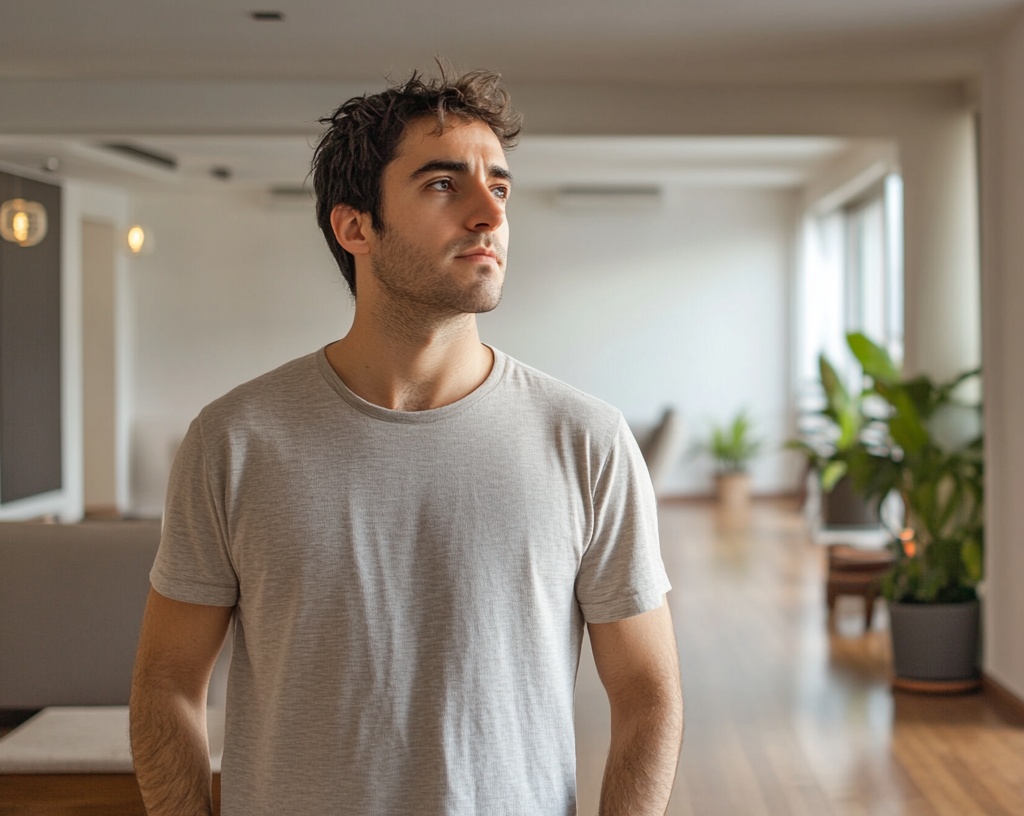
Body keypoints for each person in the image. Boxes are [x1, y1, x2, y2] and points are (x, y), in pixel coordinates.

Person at [128, 68, 683, 816]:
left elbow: (648, 696)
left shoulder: (587, 441)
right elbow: (166, 684)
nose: (489, 212)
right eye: (443, 185)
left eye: (500, 186)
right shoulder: (234, 441)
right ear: (355, 226)